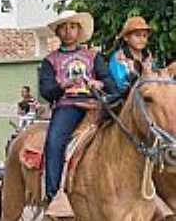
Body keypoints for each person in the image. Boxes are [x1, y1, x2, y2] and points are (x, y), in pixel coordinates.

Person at [39, 11, 117, 201]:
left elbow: (109, 82)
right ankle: (54, 194)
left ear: (79, 31)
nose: (68, 31)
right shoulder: (50, 60)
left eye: (72, 27)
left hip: (95, 105)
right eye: (64, 27)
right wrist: (62, 85)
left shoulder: (93, 56)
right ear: (58, 32)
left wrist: (99, 84)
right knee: (54, 141)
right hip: (68, 106)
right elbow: (46, 91)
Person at [109, 16, 154, 96]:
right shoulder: (118, 57)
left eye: (144, 36)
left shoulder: (148, 56)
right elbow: (120, 85)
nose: (142, 39)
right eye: (137, 35)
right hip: (126, 98)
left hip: (148, 94)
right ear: (126, 37)